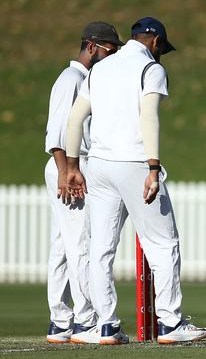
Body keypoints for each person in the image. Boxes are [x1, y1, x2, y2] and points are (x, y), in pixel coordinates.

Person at [64, 17, 206, 345]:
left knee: (101, 249)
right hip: (134, 164)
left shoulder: (99, 69)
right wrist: (153, 167)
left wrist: (73, 165)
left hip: (99, 166)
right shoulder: (150, 70)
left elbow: (75, 118)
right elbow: (148, 116)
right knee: (163, 243)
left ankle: (106, 325)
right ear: (155, 43)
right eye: (162, 49)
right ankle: (170, 323)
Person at [44, 22, 123, 344]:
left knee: (64, 245)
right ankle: (85, 320)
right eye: (109, 50)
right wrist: (67, 172)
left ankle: (61, 321)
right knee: (81, 244)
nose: (112, 56)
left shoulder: (84, 79)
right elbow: (57, 133)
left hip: (71, 166)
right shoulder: (72, 79)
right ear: (92, 47)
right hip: (70, 166)